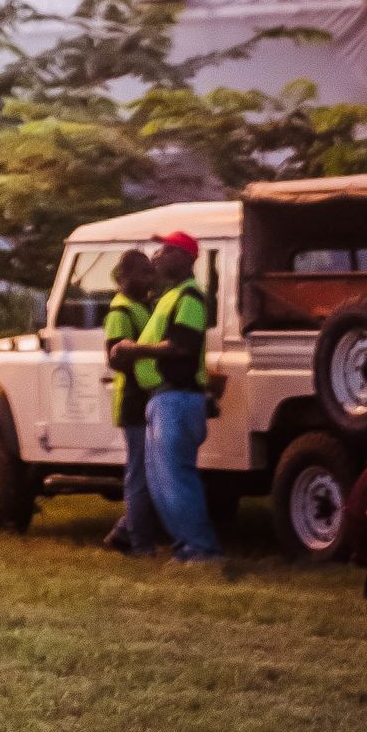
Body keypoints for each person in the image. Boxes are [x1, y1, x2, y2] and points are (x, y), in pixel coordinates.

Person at [127, 231, 220, 565]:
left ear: (186, 258)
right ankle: (186, 549)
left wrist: (134, 349)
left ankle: (202, 551)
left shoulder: (191, 298)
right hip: (164, 399)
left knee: (176, 480)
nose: (158, 256)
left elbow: (182, 346)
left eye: (166, 250)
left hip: (178, 400)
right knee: (161, 481)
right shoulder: (172, 296)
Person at [100, 247, 165, 557]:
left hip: (148, 398)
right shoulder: (120, 311)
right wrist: (151, 359)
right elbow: (116, 358)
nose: (150, 277)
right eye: (144, 272)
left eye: (151, 271)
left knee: (150, 473)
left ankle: (125, 531)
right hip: (133, 400)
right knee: (140, 474)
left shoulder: (144, 306)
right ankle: (139, 545)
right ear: (124, 277)